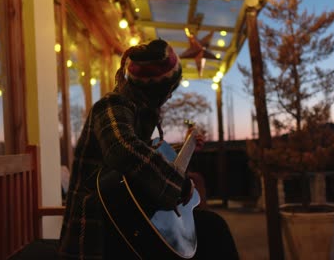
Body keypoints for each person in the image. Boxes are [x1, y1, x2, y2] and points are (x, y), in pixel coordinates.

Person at [58, 39, 238, 259]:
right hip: (96, 231)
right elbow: (122, 149)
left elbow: (139, 152)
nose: (170, 96)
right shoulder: (112, 105)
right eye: (169, 90)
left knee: (209, 229)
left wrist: (184, 147)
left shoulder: (134, 109)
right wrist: (178, 185)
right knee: (213, 231)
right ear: (157, 90)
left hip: (123, 219)